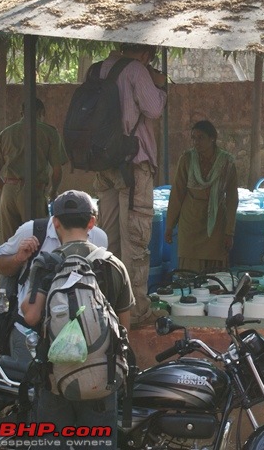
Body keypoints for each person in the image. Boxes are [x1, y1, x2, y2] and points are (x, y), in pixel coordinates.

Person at [20, 190, 134, 447]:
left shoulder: (47, 263)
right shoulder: (113, 265)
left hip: (54, 381)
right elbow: (125, 327)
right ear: (92, 223)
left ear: (56, 223)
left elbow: (31, 316)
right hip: (101, 382)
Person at [92, 43, 167, 328]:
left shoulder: (100, 69)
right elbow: (154, 109)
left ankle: (108, 305)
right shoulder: (137, 70)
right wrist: (159, 84)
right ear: (146, 53)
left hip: (103, 165)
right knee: (134, 239)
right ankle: (136, 311)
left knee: (107, 239)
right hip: (133, 166)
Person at [0, 205, 108, 364]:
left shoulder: (99, 239)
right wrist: (18, 258)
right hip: (32, 335)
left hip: (79, 335)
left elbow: (31, 315)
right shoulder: (32, 231)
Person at [0, 98, 68, 244]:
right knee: (38, 241)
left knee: (8, 244)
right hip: (34, 191)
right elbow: (57, 171)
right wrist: (52, 191)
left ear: (21, 113)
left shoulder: (5, 134)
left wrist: (8, 189)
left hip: (8, 191)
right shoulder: (49, 132)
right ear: (41, 113)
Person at [165, 120, 238, 271]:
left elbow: (232, 198)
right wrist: (169, 226)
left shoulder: (226, 162)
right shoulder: (187, 159)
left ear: (212, 139)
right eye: (193, 138)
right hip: (190, 221)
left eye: (201, 138)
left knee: (215, 276)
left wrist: (229, 232)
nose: (196, 142)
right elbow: (177, 194)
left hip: (216, 222)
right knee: (189, 272)